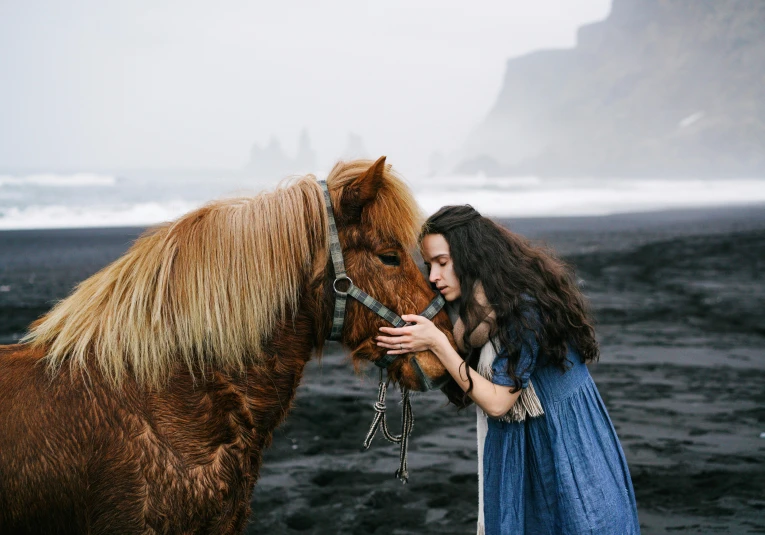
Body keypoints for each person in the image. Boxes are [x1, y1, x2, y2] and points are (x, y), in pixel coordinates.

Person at [376, 205, 640, 534]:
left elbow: (499, 403)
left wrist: (438, 345)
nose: (433, 277)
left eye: (442, 263)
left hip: (560, 437)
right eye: (429, 264)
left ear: (471, 256)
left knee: (575, 522)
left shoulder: (524, 308)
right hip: (523, 436)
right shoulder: (475, 307)